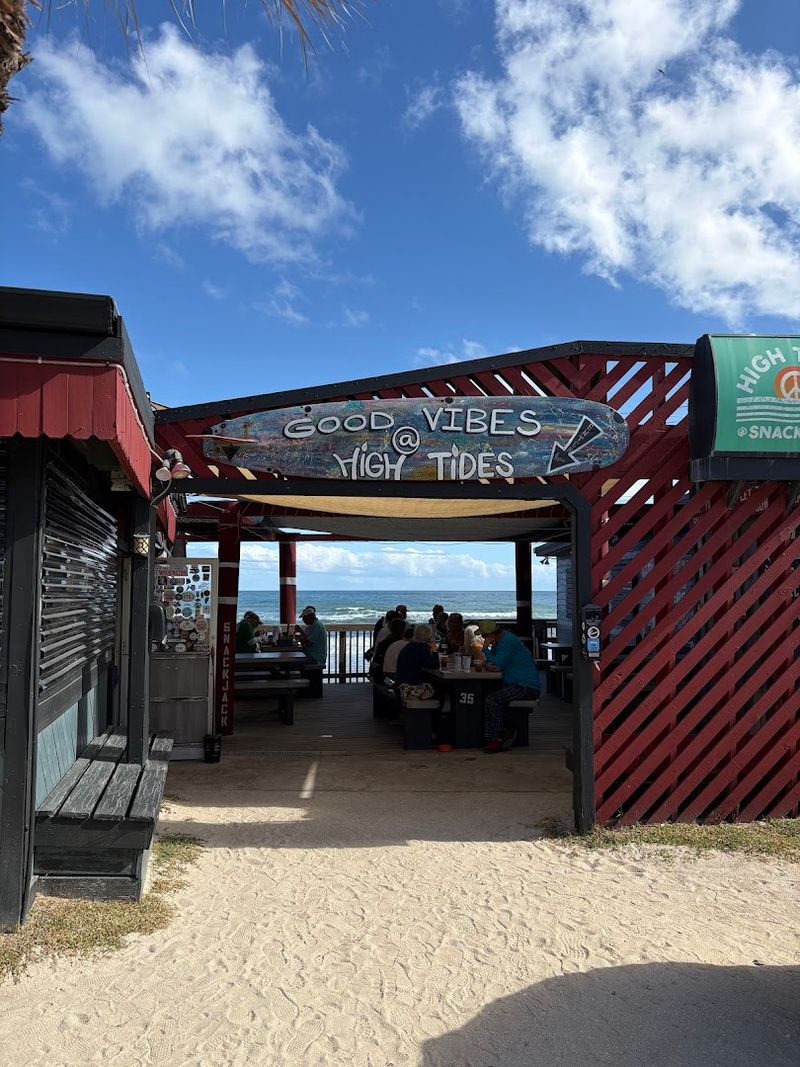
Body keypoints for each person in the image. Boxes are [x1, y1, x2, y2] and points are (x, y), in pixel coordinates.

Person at [478, 620, 540, 754]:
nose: (483, 638)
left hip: (525, 684)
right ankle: (500, 731)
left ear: (491, 635)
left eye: (483, 636)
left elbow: (497, 663)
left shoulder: (508, 641)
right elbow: (493, 662)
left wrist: (485, 648)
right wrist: (490, 653)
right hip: (515, 682)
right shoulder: (501, 642)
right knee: (489, 693)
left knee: (492, 699)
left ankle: (496, 738)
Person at [395, 623, 439, 702]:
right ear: (428, 637)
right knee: (440, 693)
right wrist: (434, 650)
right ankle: (435, 714)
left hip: (402, 685)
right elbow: (434, 666)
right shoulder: (421, 649)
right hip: (410, 688)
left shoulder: (409, 646)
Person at [370, 617, 406, 684]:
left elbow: (376, 661)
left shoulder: (384, 642)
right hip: (392, 676)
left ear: (390, 628)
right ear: (403, 630)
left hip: (383, 675)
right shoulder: (404, 644)